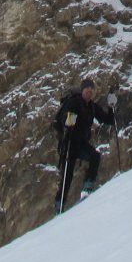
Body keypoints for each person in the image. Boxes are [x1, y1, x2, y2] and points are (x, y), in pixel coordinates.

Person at [52, 77, 115, 212]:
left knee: (95, 157)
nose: (89, 92)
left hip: (80, 143)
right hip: (69, 143)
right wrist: (68, 123)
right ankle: (59, 206)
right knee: (67, 177)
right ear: (82, 91)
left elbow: (108, 120)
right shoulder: (74, 102)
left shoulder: (92, 107)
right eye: (87, 90)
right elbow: (64, 119)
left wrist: (111, 107)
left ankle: (87, 187)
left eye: (91, 90)